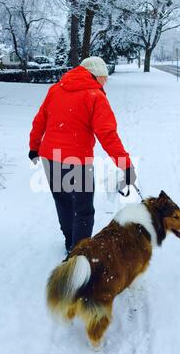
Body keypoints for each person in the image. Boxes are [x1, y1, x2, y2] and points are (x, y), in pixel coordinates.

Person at [29, 57, 136, 254]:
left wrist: (34, 147)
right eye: (104, 78)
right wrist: (125, 165)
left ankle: (70, 241)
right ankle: (78, 253)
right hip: (76, 161)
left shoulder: (56, 89)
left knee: (63, 202)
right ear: (95, 75)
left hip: (50, 158)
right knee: (83, 210)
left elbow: (40, 120)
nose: (105, 83)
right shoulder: (95, 96)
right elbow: (107, 135)